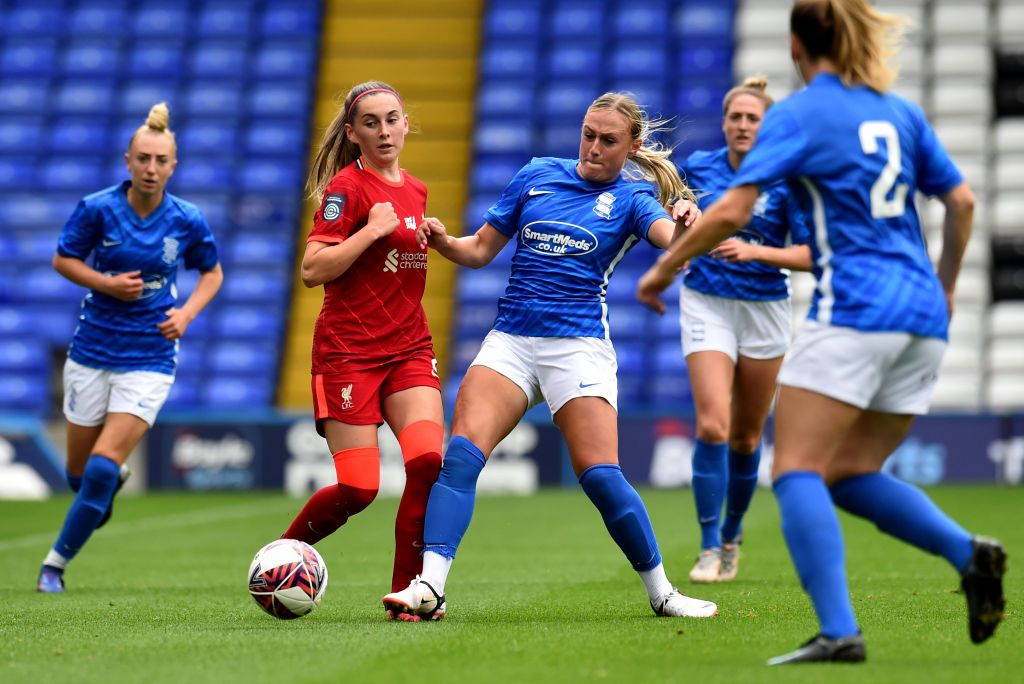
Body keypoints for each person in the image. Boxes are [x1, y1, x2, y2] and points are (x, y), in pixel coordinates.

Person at [636, 0, 1005, 664]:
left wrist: (666, 267)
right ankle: (967, 552)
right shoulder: (899, 112)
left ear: (797, 46)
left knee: (796, 470)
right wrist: (946, 286)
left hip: (856, 310)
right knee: (851, 471)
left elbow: (736, 209)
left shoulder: (803, 113)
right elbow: (962, 201)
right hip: (922, 315)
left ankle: (838, 631)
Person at [381, 92, 718, 622]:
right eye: (588, 133)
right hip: (512, 342)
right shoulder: (537, 174)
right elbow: (480, 251)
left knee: (601, 476)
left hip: (577, 348)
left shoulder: (632, 200)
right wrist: (445, 241)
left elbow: (670, 242)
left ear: (632, 147)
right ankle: (431, 586)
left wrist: (685, 221)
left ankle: (662, 593)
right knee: (461, 458)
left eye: (609, 140)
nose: (593, 147)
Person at [38, 102, 223, 593]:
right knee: (80, 476)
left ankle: (53, 565)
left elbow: (212, 272)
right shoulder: (98, 207)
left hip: (150, 355)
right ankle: (104, 487)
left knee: (100, 467)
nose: (151, 168)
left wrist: (185, 315)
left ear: (173, 166)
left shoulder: (186, 218)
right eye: (143, 158)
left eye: (161, 160)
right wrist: (106, 283)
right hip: (93, 350)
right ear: (127, 161)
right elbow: (63, 259)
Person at [279, 81, 445, 605]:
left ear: (406, 122)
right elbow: (312, 269)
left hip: (409, 349)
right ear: (352, 134)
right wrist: (371, 232)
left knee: (426, 462)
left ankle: (408, 594)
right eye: (370, 122)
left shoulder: (416, 190)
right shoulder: (345, 191)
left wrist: (430, 238)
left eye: (392, 119)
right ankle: (282, 558)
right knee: (359, 489)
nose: (384, 131)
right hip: (349, 354)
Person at [677, 76, 812, 584]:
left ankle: (732, 535)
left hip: (764, 309)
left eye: (753, 118)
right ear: (724, 122)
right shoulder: (700, 168)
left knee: (747, 436)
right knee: (714, 424)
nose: (742, 124)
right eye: (735, 116)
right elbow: (678, 223)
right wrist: (683, 218)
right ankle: (709, 545)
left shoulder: (785, 179)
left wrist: (755, 250)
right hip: (707, 301)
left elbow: (812, 253)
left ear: (766, 125)